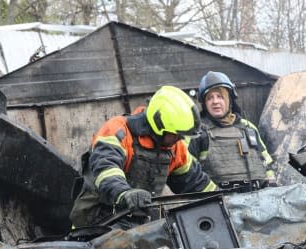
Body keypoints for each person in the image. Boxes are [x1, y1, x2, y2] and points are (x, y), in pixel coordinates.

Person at [70, 85, 218, 228]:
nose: (179, 139)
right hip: (96, 222)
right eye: (176, 134)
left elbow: (195, 181)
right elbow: (106, 169)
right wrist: (124, 193)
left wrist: (221, 198)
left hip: (141, 226)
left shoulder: (174, 146)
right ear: (159, 126)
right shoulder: (118, 130)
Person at [188, 71, 275, 187]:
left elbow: (267, 164)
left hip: (257, 198)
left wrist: (272, 186)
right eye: (209, 98)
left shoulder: (248, 128)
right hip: (217, 201)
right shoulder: (198, 132)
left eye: (220, 96)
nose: (215, 102)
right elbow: (188, 171)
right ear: (204, 103)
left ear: (229, 99)